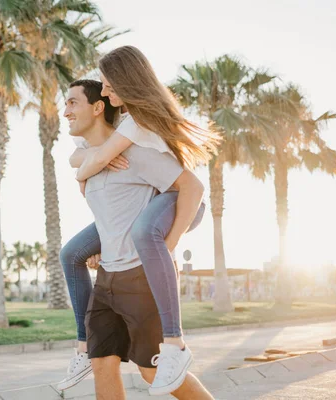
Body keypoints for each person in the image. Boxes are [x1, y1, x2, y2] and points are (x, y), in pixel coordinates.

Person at [58, 46, 219, 396]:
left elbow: (190, 188)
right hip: (106, 281)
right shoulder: (91, 162)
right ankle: (83, 347)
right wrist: (100, 245)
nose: (65, 111)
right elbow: (109, 214)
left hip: (138, 278)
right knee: (102, 364)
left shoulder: (135, 151)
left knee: (153, 373)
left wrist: (170, 243)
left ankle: (177, 346)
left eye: (73, 103)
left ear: (98, 108)